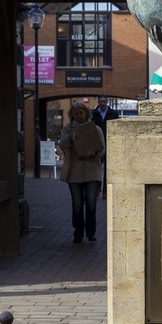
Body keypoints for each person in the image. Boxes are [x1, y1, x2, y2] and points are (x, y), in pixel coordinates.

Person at [58, 103, 105, 243]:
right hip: (74, 172)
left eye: (81, 113)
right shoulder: (68, 129)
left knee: (91, 202)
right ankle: (78, 233)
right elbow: (62, 145)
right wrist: (69, 138)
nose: (78, 116)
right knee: (77, 205)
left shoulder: (95, 129)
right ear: (72, 115)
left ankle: (91, 233)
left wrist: (93, 154)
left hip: (92, 172)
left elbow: (102, 149)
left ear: (86, 113)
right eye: (76, 114)